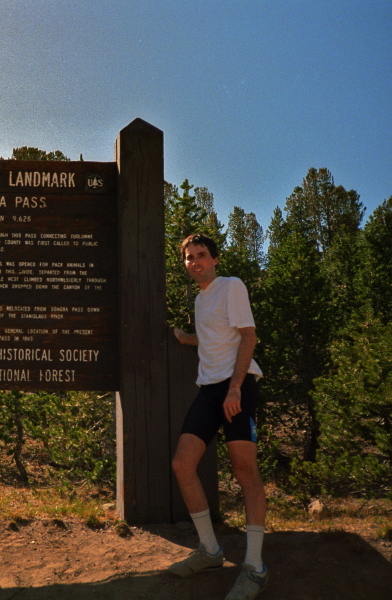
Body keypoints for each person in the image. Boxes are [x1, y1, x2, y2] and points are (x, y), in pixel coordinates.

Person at [168, 233, 268, 600]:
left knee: (244, 470)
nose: (195, 261)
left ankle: (255, 568)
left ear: (215, 260)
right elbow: (213, 336)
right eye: (189, 257)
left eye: (202, 255)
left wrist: (235, 388)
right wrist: (186, 338)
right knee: (182, 464)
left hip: (235, 388)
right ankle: (210, 551)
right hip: (209, 389)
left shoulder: (231, 286)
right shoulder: (200, 298)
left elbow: (248, 336)